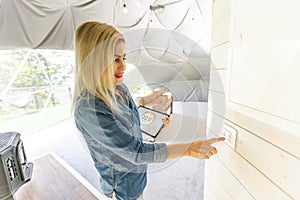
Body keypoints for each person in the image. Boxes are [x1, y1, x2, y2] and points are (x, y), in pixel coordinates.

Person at [72, 21, 225, 200]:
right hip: (122, 191)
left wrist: (150, 120)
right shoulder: (90, 108)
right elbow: (135, 152)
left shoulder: (119, 88)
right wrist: (188, 148)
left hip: (137, 179)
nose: (123, 66)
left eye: (124, 58)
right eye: (115, 59)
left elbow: (126, 122)